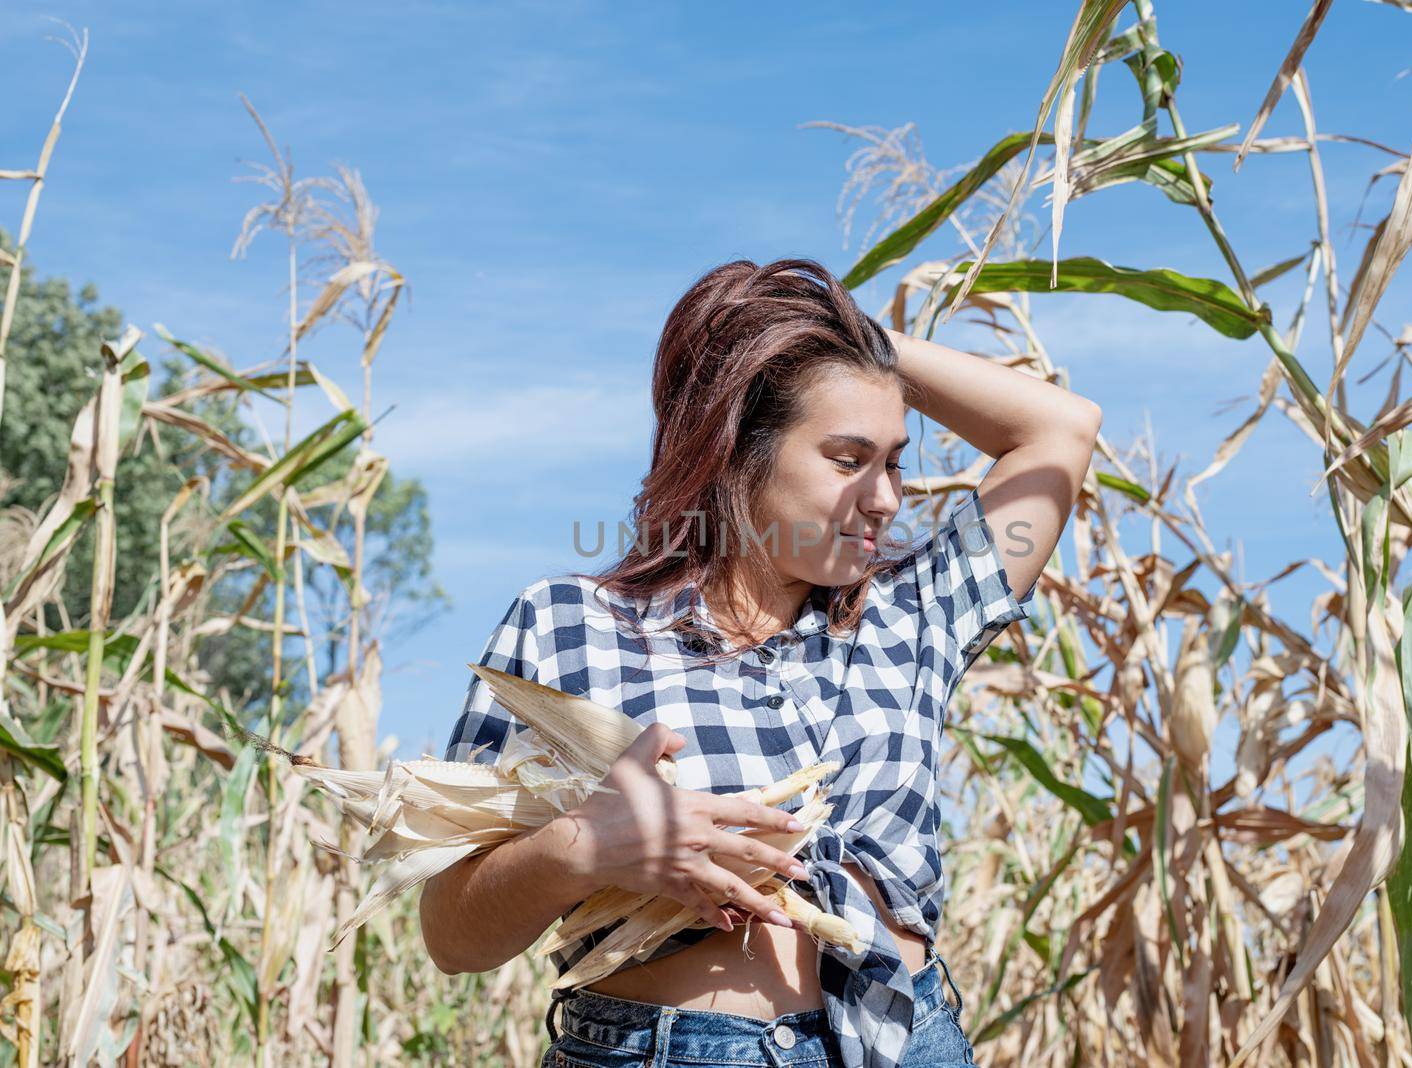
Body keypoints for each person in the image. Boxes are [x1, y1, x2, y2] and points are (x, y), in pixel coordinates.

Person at [420, 257, 1101, 1068]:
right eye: (849, 459)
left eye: (894, 461)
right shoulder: (571, 626)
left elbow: (1061, 427)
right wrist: (584, 848)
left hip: (908, 1043)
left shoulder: (914, 618)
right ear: (735, 448)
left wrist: (832, 342)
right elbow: (453, 935)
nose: (885, 497)